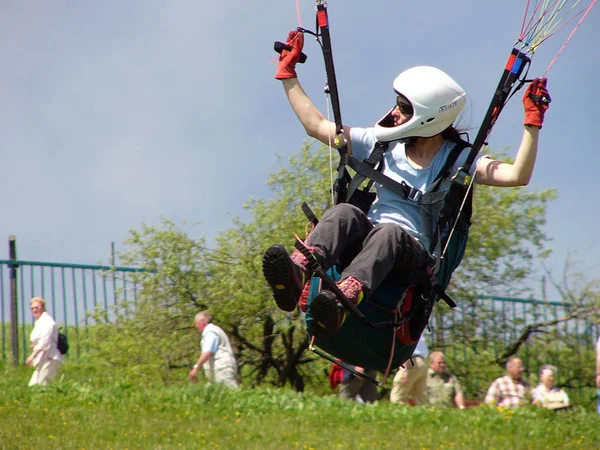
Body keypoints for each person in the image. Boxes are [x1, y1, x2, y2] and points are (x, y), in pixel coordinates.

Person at [262, 30, 551, 336]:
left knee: (389, 233)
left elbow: (517, 175)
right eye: (398, 103)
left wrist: (531, 123)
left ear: (428, 118)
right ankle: (297, 271)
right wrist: (287, 74)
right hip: (370, 240)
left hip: (412, 257)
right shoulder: (381, 143)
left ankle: (341, 300)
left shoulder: (458, 161)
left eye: (405, 107)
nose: (396, 113)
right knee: (344, 213)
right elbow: (317, 126)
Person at [188, 311, 238, 389]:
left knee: (231, 394)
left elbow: (207, 353)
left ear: (202, 322)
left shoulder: (210, 332)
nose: (196, 326)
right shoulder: (215, 330)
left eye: (197, 323)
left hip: (222, 368)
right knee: (209, 395)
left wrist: (195, 368)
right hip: (218, 371)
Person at [25, 297, 64, 386]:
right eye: (32, 308)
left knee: (43, 386)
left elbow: (45, 342)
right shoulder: (39, 322)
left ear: (43, 308)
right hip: (41, 359)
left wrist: (32, 356)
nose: (34, 310)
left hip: (50, 358)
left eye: (37, 307)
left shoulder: (48, 322)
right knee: (32, 386)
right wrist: (33, 346)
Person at [390, 336, 429, 405]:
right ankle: (426, 414)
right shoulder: (417, 328)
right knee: (420, 398)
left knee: (398, 396)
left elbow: (406, 343)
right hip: (422, 362)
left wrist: (404, 369)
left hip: (411, 361)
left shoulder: (403, 327)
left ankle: (397, 413)